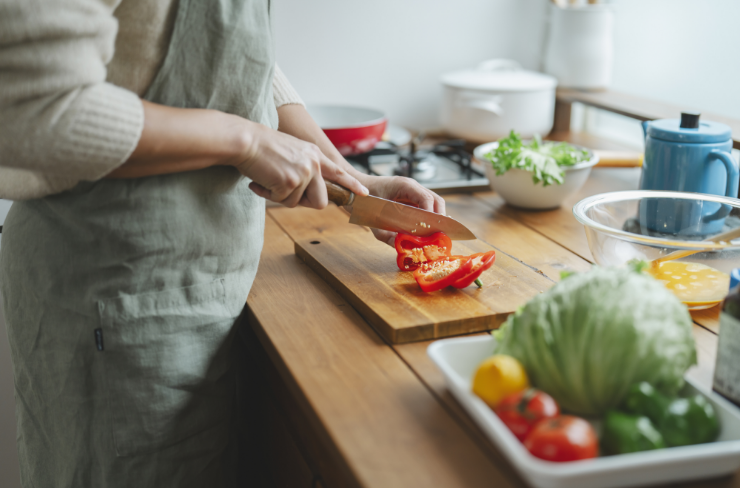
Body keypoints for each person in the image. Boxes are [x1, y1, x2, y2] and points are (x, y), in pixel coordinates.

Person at [0, 0, 446, 486]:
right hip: (114, 295)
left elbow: (239, 62)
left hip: (204, 290)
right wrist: (246, 142)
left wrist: (355, 183)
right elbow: (25, 109)